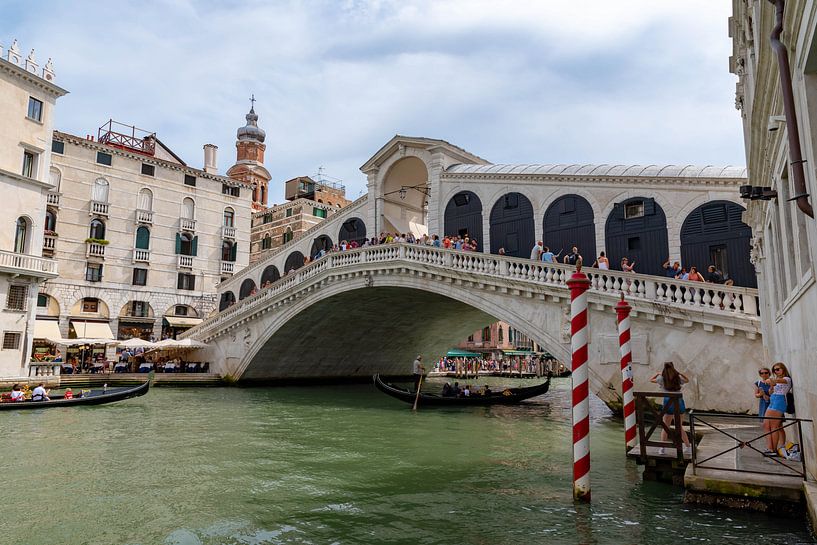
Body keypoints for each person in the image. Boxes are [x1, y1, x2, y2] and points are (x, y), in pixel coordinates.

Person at [650, 362, 691, 454]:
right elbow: (687, 380)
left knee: (665, 427)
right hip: (679, 401)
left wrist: (657, 373)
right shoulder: (677, 378)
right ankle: (688, 448)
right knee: (679, 427)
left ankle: (662, 449)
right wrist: (679, 373)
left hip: (668, 401)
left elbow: (651, 380)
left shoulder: (661, 378)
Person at [762, 362, 792, 456]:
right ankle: (769, 447)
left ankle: (773, 450)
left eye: (778, 369)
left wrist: (770, 381)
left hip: (779, 401)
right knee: (766, 425)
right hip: (773, 400)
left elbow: (777, 381)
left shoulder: (786, 379)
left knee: (774, 426)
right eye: (774, 370)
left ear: (783, 369)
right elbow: (771, 392)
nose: (776, 371)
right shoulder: (777, 380)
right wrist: (771, 387)